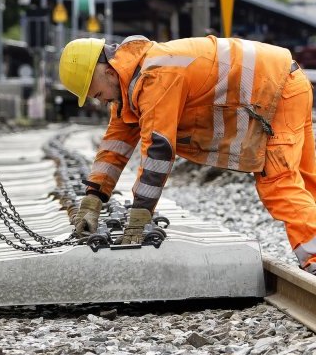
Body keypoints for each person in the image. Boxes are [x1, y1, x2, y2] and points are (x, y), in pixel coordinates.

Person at [59, 34, 316, 267]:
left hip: (277, 91)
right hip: (285, 84)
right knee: (307, 180)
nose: (100, 100)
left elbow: (159, 150)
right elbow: (114, 147)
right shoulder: (132, 85)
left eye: (96, 93)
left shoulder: (156, 75)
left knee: (278, 181)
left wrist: (140, 214)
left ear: (109, 72)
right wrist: (93, 199)